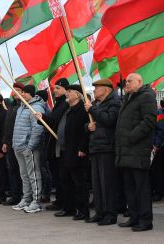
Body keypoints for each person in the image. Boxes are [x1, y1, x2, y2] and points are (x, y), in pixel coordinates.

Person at [116, 73, 157, 232]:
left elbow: (149, 121)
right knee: (130, 187)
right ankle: (134, 217)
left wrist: (132, 137)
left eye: (129, 81)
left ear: (140, 81)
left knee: (141, 188)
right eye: (126, 81)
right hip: (126, 151)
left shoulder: (146, 96)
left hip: (138, 149)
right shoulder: (129, 97)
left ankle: (145, 220)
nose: (126, 84)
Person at [85, 78, 121, 225]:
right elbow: (89, 123)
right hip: (96, 146)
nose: (94, 91)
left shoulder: (114, 102)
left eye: (97, 88)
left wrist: (93, 110)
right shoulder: (96, 104)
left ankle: (110, 214)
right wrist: (88, 126)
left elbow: (110, 120)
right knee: (97, 184)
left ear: (106, 89)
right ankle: (100, 212)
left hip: (107, 147)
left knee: (108, 184)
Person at [55, 84, 90, 220]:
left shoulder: (82, 110)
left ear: (78, 94)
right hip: (65, 150)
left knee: (79, 183)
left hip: (77, 152)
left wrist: (82, 148)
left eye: (69, 92)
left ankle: (82, 210)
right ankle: (69, 207)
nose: (67, 94)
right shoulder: (69, 109)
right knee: (66, 180)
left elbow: (84, 131)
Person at [12, 85, 46, 214]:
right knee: (24, 175)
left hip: (29, 148)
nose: (22, 95)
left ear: (31, 94)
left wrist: (30, 146)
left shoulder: (35, 107)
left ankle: (36, 201)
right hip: (18, 146)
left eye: (25, 93)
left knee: (34, 175)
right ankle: (26, 198)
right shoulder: (21, 107)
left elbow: (37, 129)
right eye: (22, 92)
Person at [41, 78, 71, 212]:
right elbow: (53, 123)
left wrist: (43, 118)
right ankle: (59, 201)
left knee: (62, 176)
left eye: (58, 88)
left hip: (61, 145)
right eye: (54, 88)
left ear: (66, 89)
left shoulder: (66, 103)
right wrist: (42, 118)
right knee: (57, 175)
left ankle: (65, 202)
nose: (55, 91)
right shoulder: (58, 104)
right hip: (54, 144)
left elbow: (56, 122)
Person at [1, 83, 24, 205]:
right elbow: (7, 126)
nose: (16, 92)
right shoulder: (12, 106)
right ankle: (15, 195)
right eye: (14, 90)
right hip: (10, 143)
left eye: (19, 90)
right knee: (13, 170)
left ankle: (23, 195)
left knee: (22, 171)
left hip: (20, 142)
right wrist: (5, 141)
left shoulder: (24, 106)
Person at [150, 93, 164, 202]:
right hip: (151, 144)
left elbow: (161, 130)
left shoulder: (160, 112)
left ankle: (159, 192)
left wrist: (156, 144)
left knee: (157, 170)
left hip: (157, 145)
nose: (162, 101)